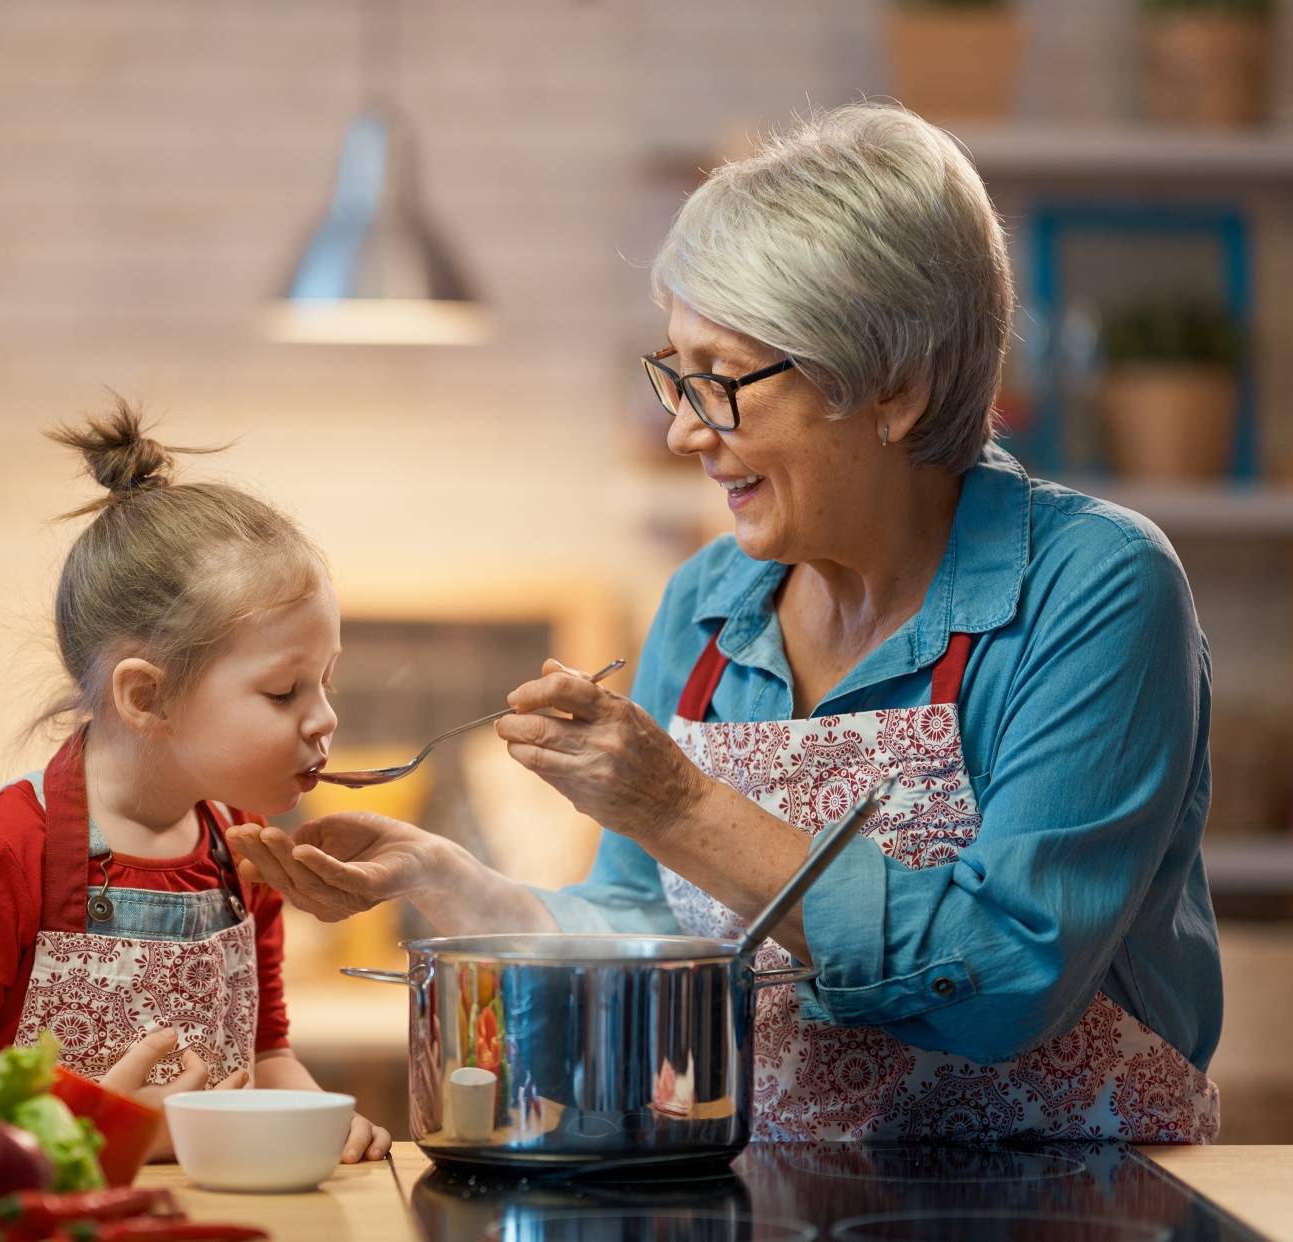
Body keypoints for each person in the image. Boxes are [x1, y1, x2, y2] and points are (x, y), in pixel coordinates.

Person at [233, 102, 1221, 1143]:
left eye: (719, 381)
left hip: (1078, 1198)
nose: (681, 430)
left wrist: (682, 808)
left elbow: (1009, 977)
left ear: (896, 386)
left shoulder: (1094, 589)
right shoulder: (709, 604)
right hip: (775, 1191)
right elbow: (641, 930)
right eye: (675, 373)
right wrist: (441, 878)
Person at [0, 400, 391, 1162]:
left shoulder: (244, 850)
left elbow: (266, 1055)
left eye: (326, 681)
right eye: (283, 691)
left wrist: (319, 1118)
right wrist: (95, 1126)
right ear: (147, 696)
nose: (324, 718)